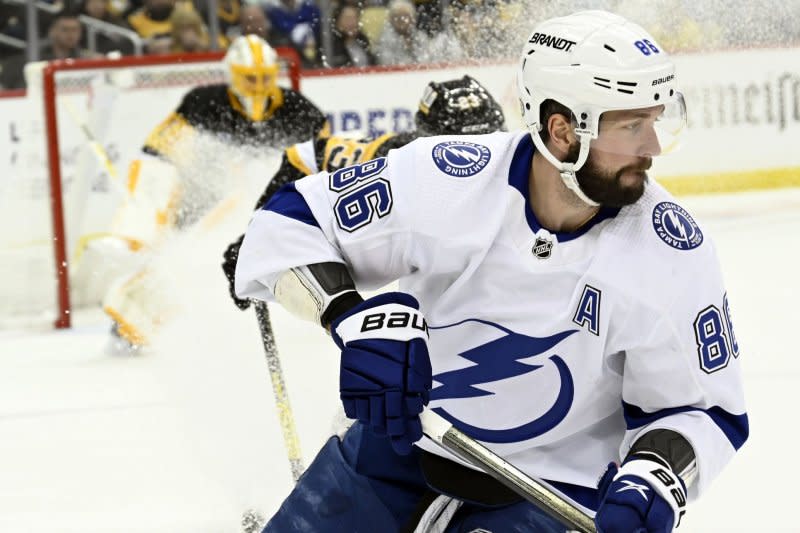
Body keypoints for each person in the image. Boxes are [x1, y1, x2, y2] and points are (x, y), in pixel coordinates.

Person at [234, 10, 748, 533]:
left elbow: (703, 409)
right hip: (390, 458)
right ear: (562, 129)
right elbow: (286, 226)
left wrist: (657, 476)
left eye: (655, 121)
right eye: (632, 126)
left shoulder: (671, 252)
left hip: (547, 498)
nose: (653, 147)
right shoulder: (442, 178)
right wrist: (347, 317)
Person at [100, 34, 328, 349]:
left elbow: (324, 161)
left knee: (210, 270)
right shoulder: (203, 103)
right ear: (233, 74)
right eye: (250, 78)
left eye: (265, 77)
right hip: (201, 203)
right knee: (177, 262)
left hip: (267, 208)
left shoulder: (298, 109)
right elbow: (158, 153)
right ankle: (130, 324)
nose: (259, 86)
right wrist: (146, 219)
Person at [222, 74, 506, 310]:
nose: (478, 153)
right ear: (427, 141)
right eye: (461, 143)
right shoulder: (395, 164)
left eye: (490, 138)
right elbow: (306, 156)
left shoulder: (520, 161)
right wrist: (256, 240)